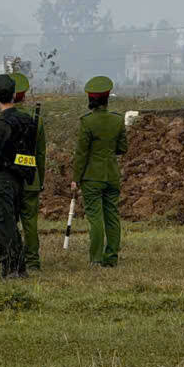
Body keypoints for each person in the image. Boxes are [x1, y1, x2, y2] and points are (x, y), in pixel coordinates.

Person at [0, 74, 37, 278]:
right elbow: (29, 156)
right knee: (12, 225)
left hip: (1, 180)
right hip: (19, 181)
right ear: (14, 95)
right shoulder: (28, 121)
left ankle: (10, 269)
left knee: (3, 227)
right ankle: (19, 268)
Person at [72, 76, 128, 267]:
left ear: (91, 99)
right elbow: (122, 148)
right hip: (112, 176)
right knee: (112, 216)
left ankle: (96, 258)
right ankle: (111, 257)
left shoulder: (87, 122)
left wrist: (75, 179)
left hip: (92, 178)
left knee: (95, 218)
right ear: (107, 98)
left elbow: (81, 154)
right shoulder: (118, 121)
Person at [11, 72, 46, 271]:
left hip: (10, 178)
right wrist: (40, 178)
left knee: (10, 221)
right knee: (30, 223)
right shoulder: (36, 119)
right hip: (31, 177)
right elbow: (40, 154)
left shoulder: (1, 119)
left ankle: (13, 257)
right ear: (24, 95)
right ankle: (33, 260)